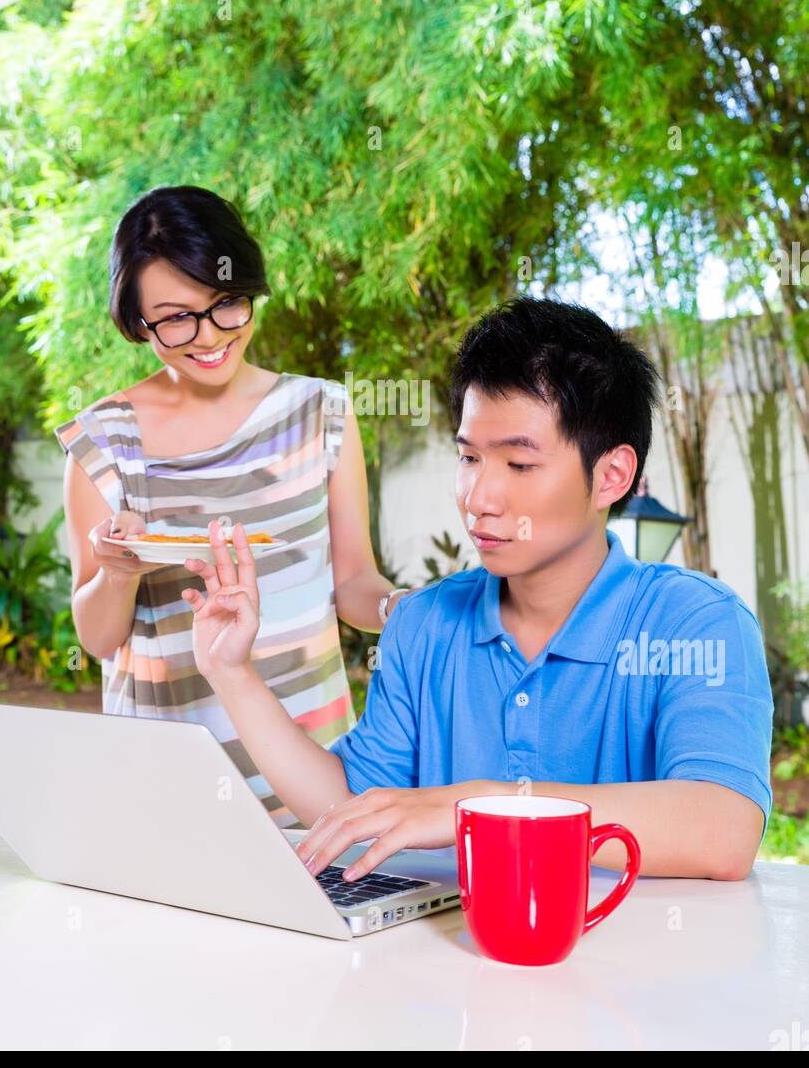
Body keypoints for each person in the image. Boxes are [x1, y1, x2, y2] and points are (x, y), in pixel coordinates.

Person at [179, 297, 774, 880]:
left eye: (519, 465)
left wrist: (483, 805)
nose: (478, 499)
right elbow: (348, 807)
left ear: (611, 476)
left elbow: (721, 830)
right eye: (468, 458)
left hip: (639, 969)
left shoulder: (695, 622)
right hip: (458, 970)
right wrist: (233, 674)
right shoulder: (425, 622)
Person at [53, 185, 409, 828]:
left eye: (226, 305)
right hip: (164, 795)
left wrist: (399, 610)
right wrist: (120, 572)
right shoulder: (104, 441)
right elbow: (98, 638)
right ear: (136, 321)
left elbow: (353, 580)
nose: (209, 336)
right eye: (175, 317)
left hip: (315, 785)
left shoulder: (320, 413)